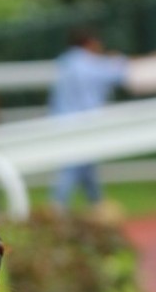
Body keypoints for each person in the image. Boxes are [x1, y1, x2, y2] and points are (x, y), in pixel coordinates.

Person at [48, 27, 129, 210]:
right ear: (90, 42)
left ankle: (96, 204)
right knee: (73, 168)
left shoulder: (65, 62)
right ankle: (58, 208)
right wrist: (120, 60)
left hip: (63, 121)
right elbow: (117, 74)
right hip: (81, 123)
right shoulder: (88, 64)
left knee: (84, 168)